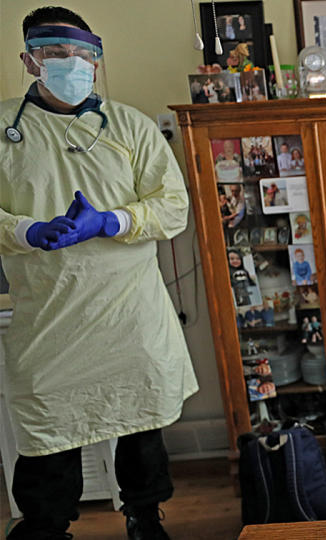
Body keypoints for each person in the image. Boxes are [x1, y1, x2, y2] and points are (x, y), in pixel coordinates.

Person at [0, 7, 198, 538]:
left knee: (139, 430)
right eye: (56, 54)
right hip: (49, 320)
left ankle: (144, 517)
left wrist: (112, 220)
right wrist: (25, 232)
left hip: (127, 315)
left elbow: (173, 207)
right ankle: (45, 526)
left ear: (97, 59)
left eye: (84, 55)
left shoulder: (130, 127)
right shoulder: (3, 131)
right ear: (29, 60)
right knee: (48, 440)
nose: (72, 64)